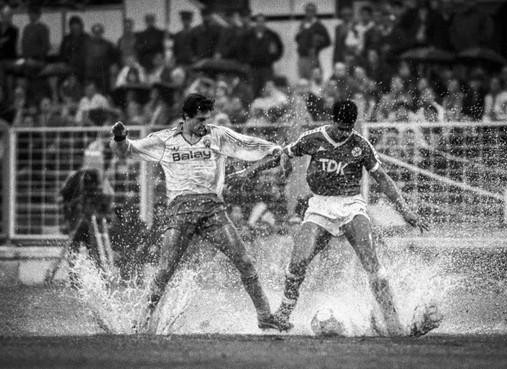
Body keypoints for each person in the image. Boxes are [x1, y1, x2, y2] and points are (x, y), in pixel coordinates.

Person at [110, 93, 287, 333]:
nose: (204, 124)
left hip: (213, 209)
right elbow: (125, 150)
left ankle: (265, 317)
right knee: (164, 270)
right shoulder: (165, 139)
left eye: (206, 119)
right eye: (200, 120)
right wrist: (119, 137)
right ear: (185, 117)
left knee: (244, 261)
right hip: (180, 211)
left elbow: (252, 145)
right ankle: (140, 322)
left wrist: (272, 149)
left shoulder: (218, 135)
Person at [266, 100, 440, 336]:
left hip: (351, 206)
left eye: (348, 129)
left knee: (371, 263)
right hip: (319, 206)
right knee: (298, 261)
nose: (344, 133)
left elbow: (383, 179)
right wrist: (282, 171)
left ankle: (391, 319)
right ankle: (284, 314)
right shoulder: (313, 138)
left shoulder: (361, 145)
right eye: (341, 128)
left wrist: (405, 210)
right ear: (333, 120)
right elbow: (286, 152)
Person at [244, 13, 283, 97]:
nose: (260, 24)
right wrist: (246, 60)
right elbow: (241, 49)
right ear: (255, 22)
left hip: (267, 68)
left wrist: (272, 59)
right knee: (254, 90)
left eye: (262, 21)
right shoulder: (248, 35)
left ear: (265, 23)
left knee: (267, 91)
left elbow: (279, 48)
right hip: (253, 68)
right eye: (258, 21)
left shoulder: (272, 35)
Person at [295, 3, 331, 79]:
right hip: (301, 57)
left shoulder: (319, 25)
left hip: (312, 57)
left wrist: (317, 48)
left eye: (311, 11)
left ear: (315, 12)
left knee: (314, 80)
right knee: (303, 81)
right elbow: (297, 39)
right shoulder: (302, 24)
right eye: (307, 10)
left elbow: (328, 41)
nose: (309, 13)